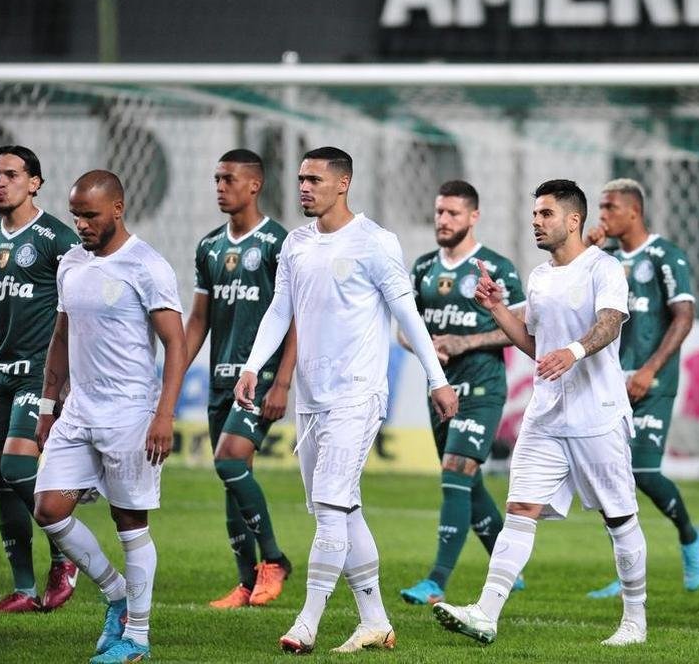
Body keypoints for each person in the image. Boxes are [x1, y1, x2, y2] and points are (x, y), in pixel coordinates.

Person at [235, 147, 457, 654]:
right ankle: (374, 619)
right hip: (312, 400)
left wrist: (436, 379)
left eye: (314, 179)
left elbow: (408, 316)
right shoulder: (295, 244)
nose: (304, 187)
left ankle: (307, 622)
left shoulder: (376, 243)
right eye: (300, 179)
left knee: (333, 503)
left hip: (359, 393)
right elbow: (279, 310)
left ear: (344, 183)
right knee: (338, 509)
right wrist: (253, 366)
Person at [433, 179, 648, 647]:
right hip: (547, 414)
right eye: (534, 214)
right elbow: (535, 343)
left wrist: (572, 351)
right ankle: (486, 613)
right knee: (521, 509)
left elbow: (609, 326)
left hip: (598, 416)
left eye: (546, 214)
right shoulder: (539, 277)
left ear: (574, 220)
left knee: (619, 518)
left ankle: (634, 621)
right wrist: (496, 308)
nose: (536, 221)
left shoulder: (603, 268)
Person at [32, 170, 187, 664]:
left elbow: (176, 345)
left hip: (130, 412)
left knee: (129, 521)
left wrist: (164, 414)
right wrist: (48, 404)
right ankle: (117, 594)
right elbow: (60, 336)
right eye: (75, 213)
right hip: (78, 410)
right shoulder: (71, 263)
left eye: (90, 214)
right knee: (50, 510)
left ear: (117, 209)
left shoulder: (147, 265)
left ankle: (137, 638)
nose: (80, 224)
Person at [399, 180, 527, 606]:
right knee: (466, 485)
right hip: (440, 392)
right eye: (439, 212)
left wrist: (463, 342)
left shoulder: (496, 267)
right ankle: (508, 565)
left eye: (453, 213)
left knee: (456, 473)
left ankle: (436, 580)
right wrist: (427, 346)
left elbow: (520, 328)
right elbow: (404, 327)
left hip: (484, 388)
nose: (443, 220)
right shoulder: (422, 269)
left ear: (473, 217)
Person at [584, 178, 699, 598]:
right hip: (609, 383)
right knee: (610, 478)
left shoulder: (664, 256)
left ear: (633, 211)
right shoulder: (604, 257)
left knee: (643, 470)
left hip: (652, 382)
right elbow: (572, 284)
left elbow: (684, 316)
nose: (602, 216)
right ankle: (627, 572)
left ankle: (691, 538)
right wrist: (590, 245)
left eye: (608, 208)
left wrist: (650, 369)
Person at [185, 149, 295, 609]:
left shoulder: (278, 243)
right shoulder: (209, 246)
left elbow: (296, 319)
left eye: (228, 179)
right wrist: (172, 379)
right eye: (216, 179)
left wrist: (283, 381)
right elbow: (198, 322)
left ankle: (274, 559)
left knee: (230, 461)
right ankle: (245, 584)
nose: (220, 187)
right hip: (220, 380)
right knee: (233, 476)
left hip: (262, 377)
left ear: (254, 185)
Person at [0, 146, 80, 613]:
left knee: (16, 469)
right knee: (0, 481)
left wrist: (64, 381)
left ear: (35, 182)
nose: (0, 183)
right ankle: (24, 589)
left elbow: (76, 313)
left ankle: (66, 554)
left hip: (36, 376)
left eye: (11, 175)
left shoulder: (57, 239)